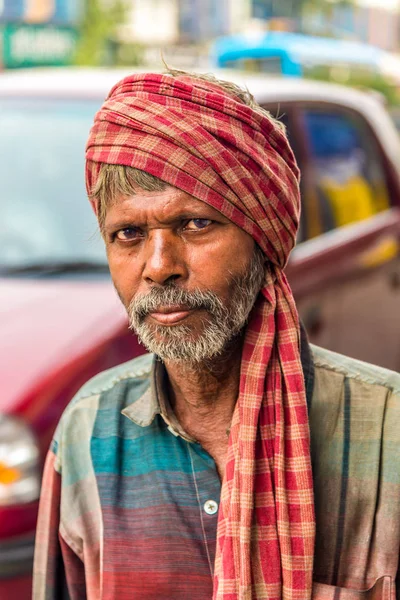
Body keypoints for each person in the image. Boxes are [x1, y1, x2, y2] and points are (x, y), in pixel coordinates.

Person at [33, 70, 400, 600]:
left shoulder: (388, 434)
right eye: (129, 234)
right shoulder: (87, 434)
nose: (159, 267)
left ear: (263, 237)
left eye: (195, 224)